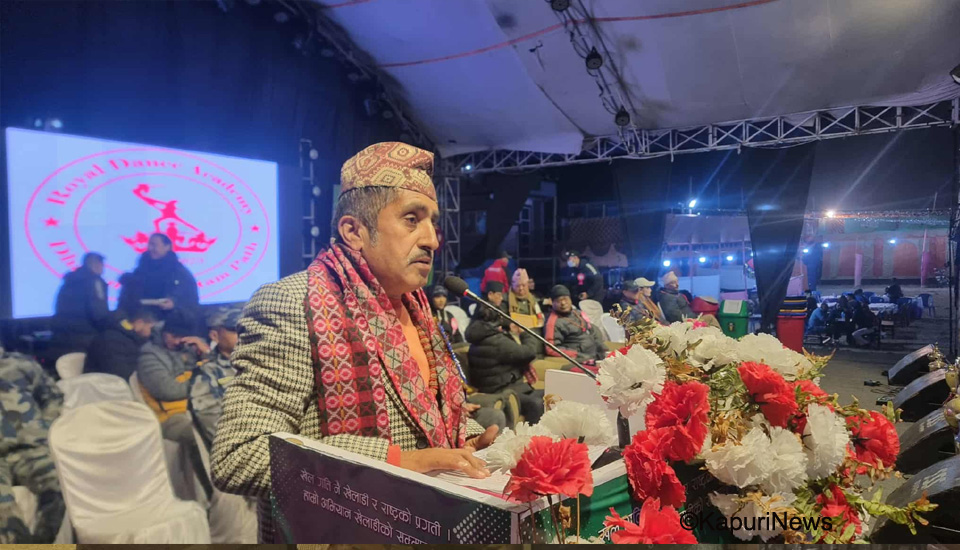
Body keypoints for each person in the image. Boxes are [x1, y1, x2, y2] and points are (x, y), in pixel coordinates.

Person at [212, 143, 494, 539]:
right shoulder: (292, 302)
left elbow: (426, 415)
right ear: (354, 231)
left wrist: (468, 440)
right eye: (411, 219)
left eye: (432, 222)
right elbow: (239, 455)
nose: (432, 239)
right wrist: (395, 462)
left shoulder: (417, 307)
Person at [136, 315, 213, 498]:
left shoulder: (189, 348)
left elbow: (216, 376)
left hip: (198, 408)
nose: (178, 341)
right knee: (199, 434)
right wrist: (202, 382)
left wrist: (207, 354)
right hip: (170, 417)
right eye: (174, 336)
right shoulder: (149, 356)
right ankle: (211, 494)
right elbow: (168, 390)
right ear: (164, 332)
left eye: (182, 337)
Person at [0, 349, 65, 543]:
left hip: (31, 450)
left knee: (65, 488)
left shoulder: (20, 364)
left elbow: (53, 396)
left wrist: (44, 426)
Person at [465, 303, 544, 424]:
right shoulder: (496, 341)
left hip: (502, 386)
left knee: (549, 394)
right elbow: (529, 353)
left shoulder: (482, 336)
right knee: (536, 404)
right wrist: (524, 333)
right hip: (502, 390)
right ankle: (535, 434)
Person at [190, 308, 242, 448]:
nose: (244, 334)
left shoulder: (263, 362)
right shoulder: (207, 374)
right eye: (235, 330)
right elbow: (216, 428)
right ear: (215, 335)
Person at [118, 233, 199, 322]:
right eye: (149, 244)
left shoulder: (180, 273)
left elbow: (190, 299)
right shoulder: (140, 271)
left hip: (169, 320)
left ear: (167, 247)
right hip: (138, 318)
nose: (150, 248)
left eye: (154, 245)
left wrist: (174, 303)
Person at [52, 252, 110, 355]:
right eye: (102, 265)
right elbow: (99, 312)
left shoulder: (69, 281)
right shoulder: (94, 281)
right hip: (86, 335)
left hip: (63, 335)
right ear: (95, 265)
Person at [83, 308, 158, 380]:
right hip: (100, 386)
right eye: (150, 328)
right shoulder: (111, 340)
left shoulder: (131, 339)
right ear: (139, 323)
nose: (151, 333)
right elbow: (118, 374)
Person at [544, 285, 607, 363]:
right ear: (552, 303)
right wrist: (577, 355)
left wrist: (601, 346)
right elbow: (551, 349)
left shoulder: (577, 313)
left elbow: (591, 329)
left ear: (570, 300)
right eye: (558, 301)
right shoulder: (552, 322)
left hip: (596, 354)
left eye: (565, 299)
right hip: (581, 360)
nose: (563, 303)